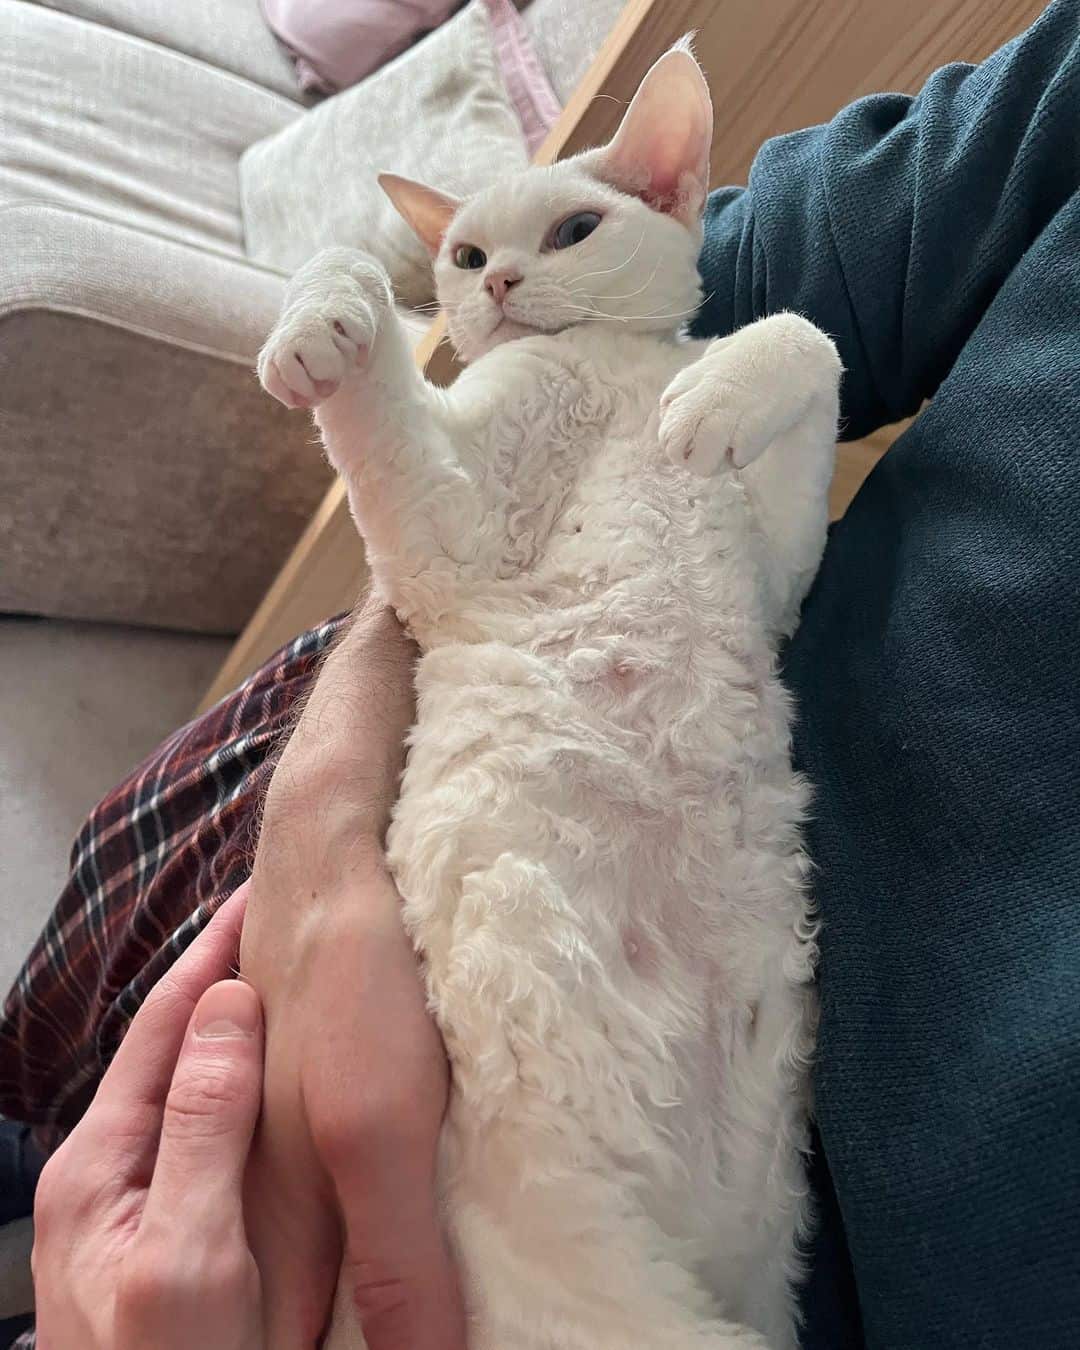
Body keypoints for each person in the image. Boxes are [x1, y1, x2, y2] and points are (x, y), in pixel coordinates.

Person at [3, 3, 1079, 1346]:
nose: (497, 282)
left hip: (690, 1110)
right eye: (463, 257)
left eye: (553, 237)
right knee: (88, 1005)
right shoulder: (575, 343)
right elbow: (467, 538)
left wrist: (787, 374)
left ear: (665, 188)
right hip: (472, 847)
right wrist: (324, 834)